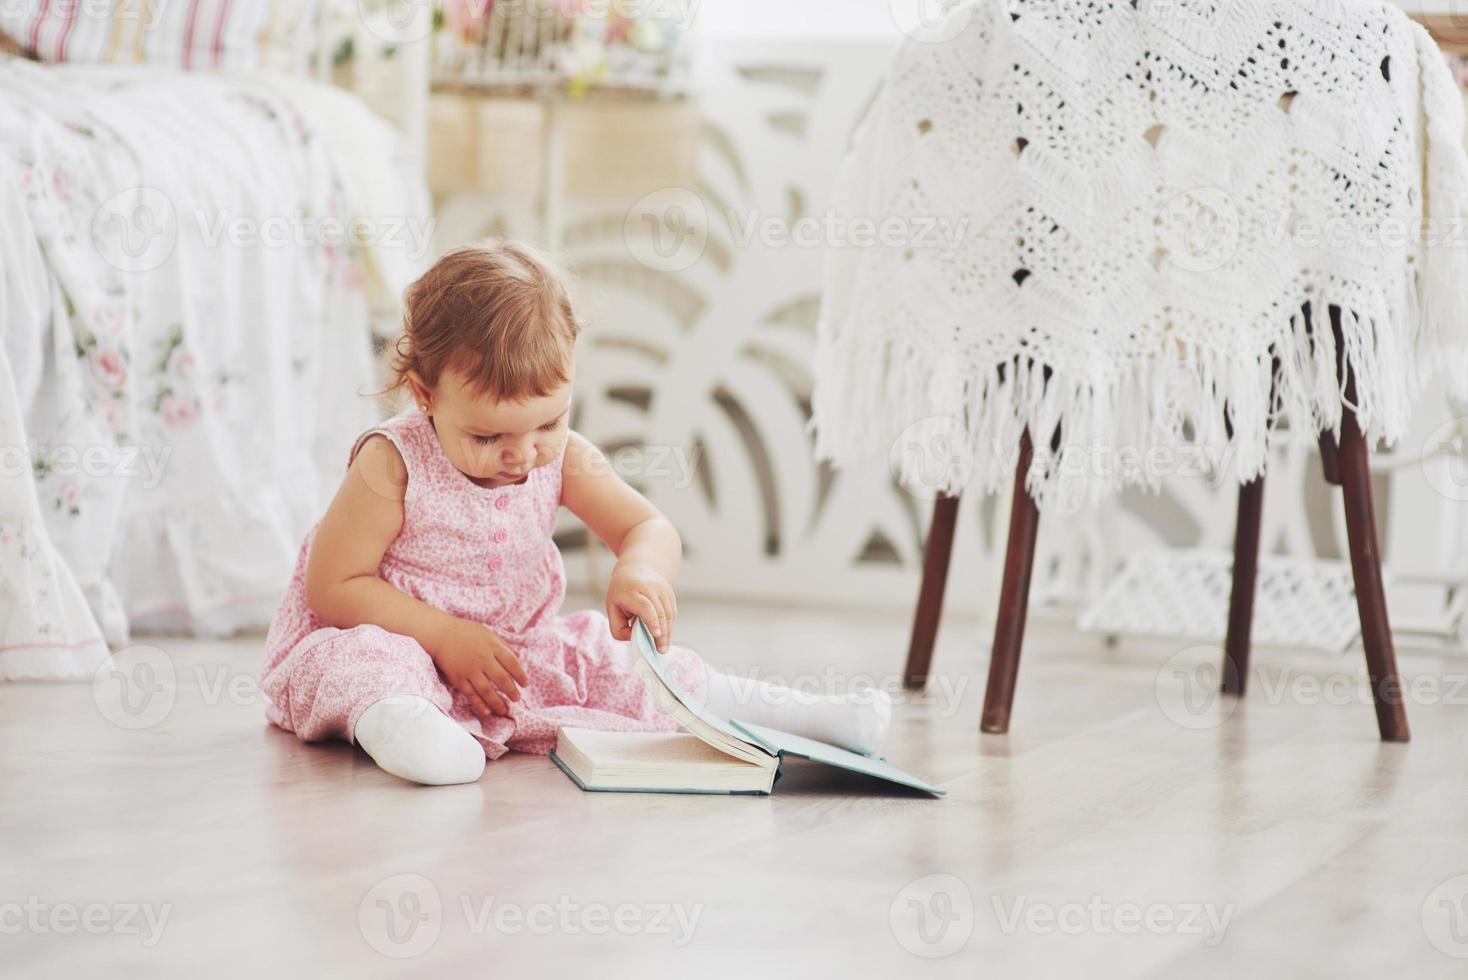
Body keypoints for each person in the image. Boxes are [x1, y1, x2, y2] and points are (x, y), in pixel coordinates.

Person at [260, 240, 892, 785]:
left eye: (549, 423)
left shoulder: (564, 459)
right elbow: (334, 585)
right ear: (426, 395)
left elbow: (647, 527)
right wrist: (444, 638)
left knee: (614, 663)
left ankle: (801, 715)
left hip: (513, 657)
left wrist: (642, 572)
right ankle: (405, 727)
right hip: (402, 642)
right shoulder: (392, 461)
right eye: (487, 437)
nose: (523, 454)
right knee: (357, 661)